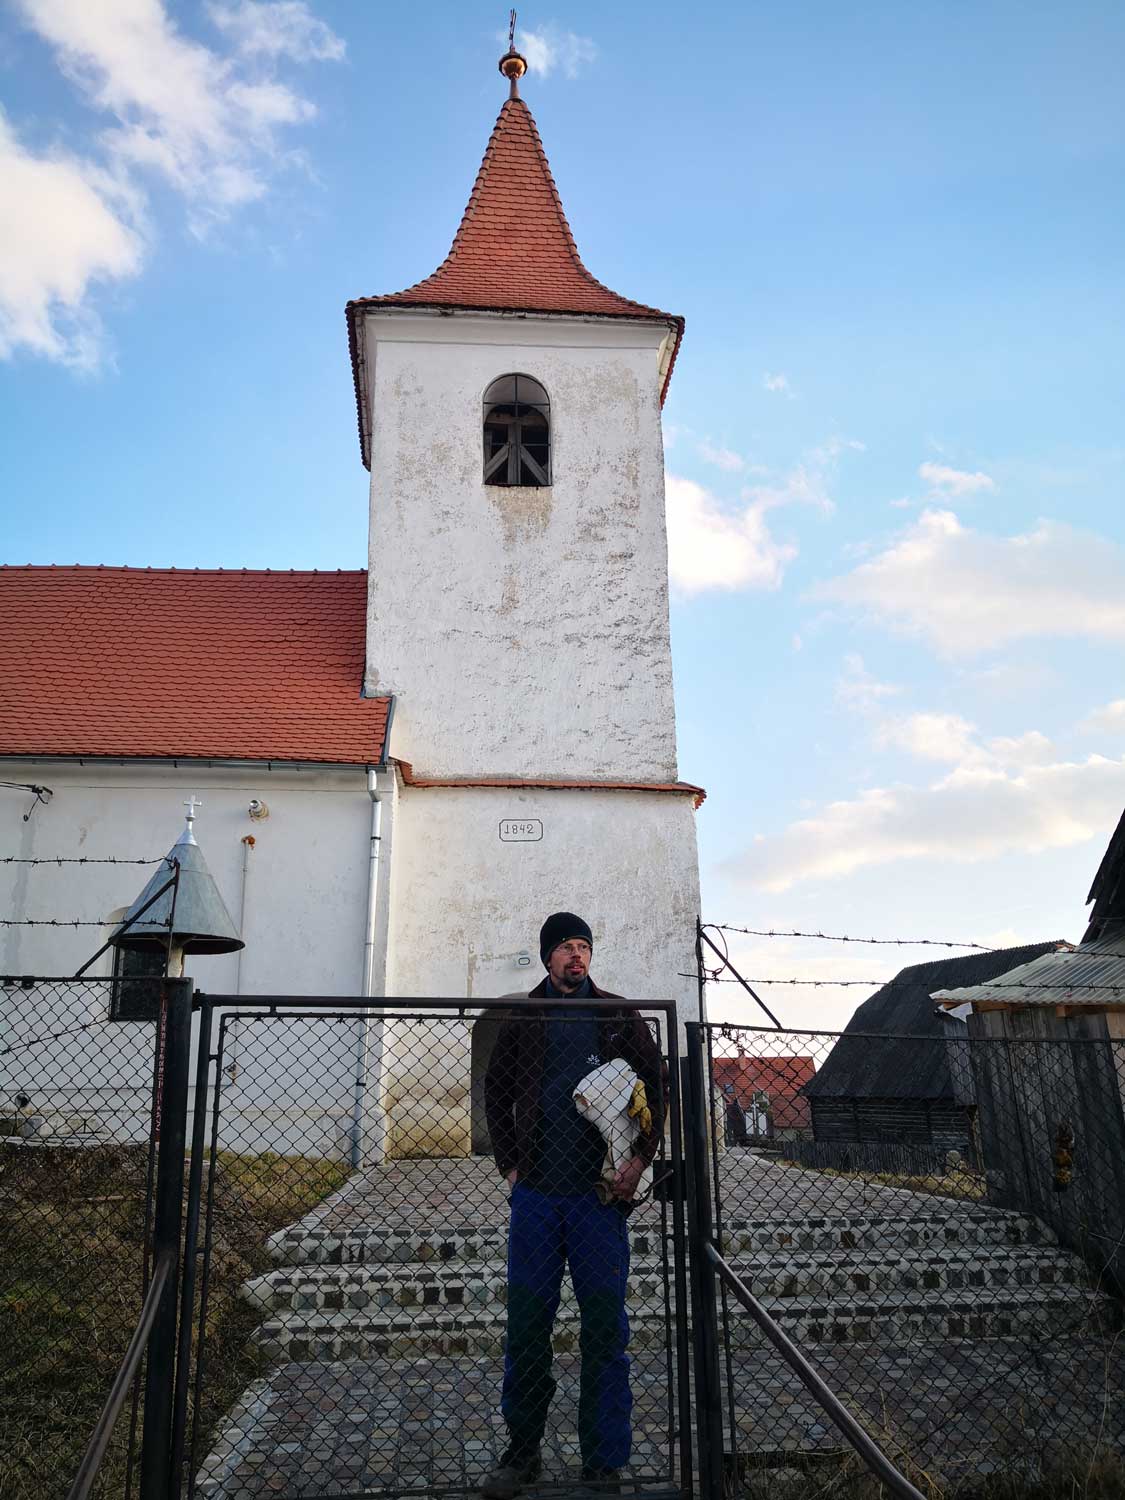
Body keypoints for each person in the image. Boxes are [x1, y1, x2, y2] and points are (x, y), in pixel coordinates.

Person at [481, 912, 664, 1499]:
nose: (576, 956)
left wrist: (637, 1161)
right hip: (536, 1199)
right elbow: (497, 1090)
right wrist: (509, 1165)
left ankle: (603, 1462)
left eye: (583, 946)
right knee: (528, 1327)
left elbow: (655, 1085)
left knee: (605, 1330)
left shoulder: (616, 1013)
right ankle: (523, 1451)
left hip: (598, 1202)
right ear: (546, 958)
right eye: (565, 947)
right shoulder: (524, 1017)